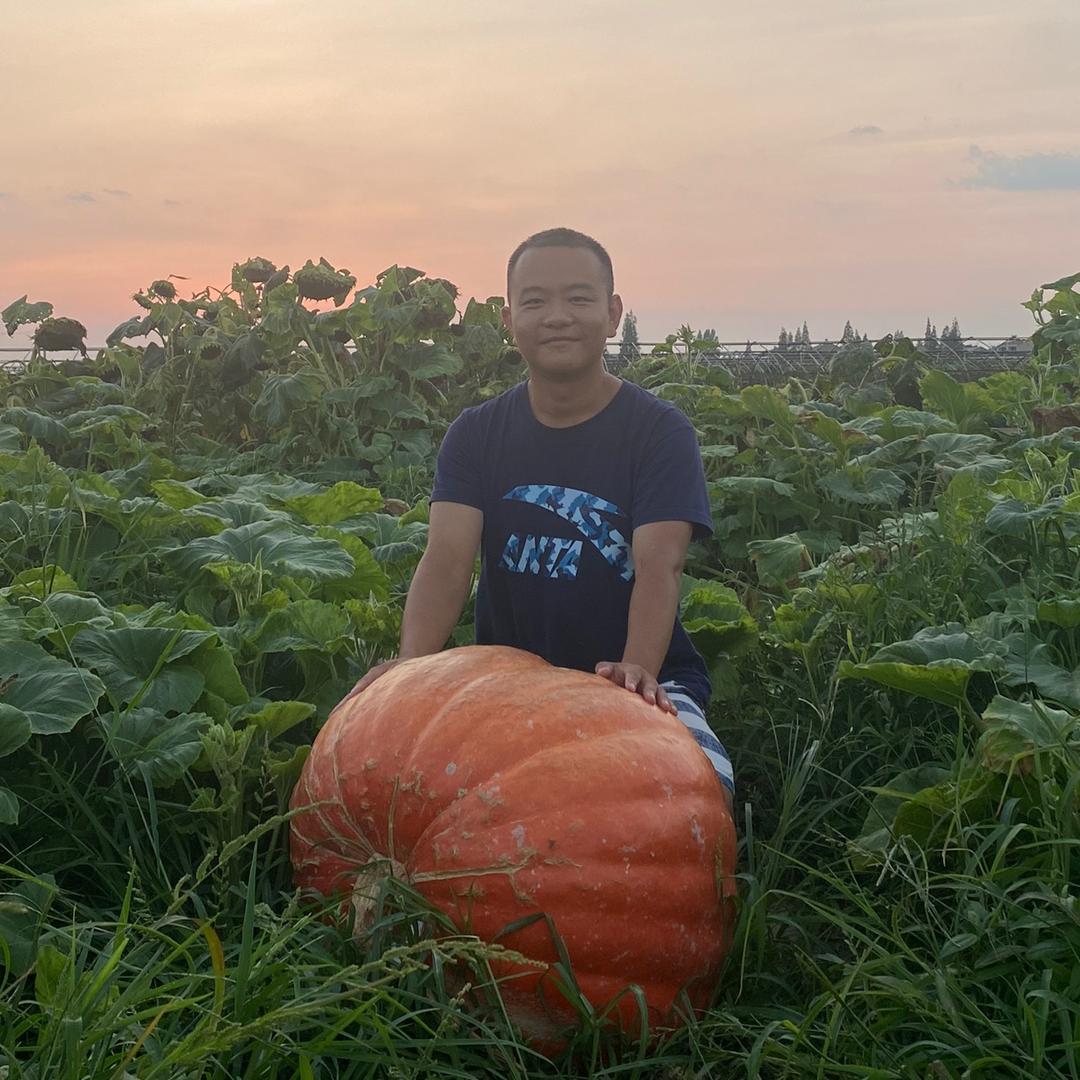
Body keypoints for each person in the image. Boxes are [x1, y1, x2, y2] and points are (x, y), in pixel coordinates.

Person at [345, 227, 734, 805]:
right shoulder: (475, 434)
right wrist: (409, 671)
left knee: (693, 795)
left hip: (641, 675)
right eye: (535, 301)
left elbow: (660, 567)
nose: (557, 316)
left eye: (579, 298)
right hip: (505, 683)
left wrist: (633, 673)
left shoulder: (658, 431)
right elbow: (447, 561)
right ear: (509, 321)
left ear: (612, 313)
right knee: (397, 782)